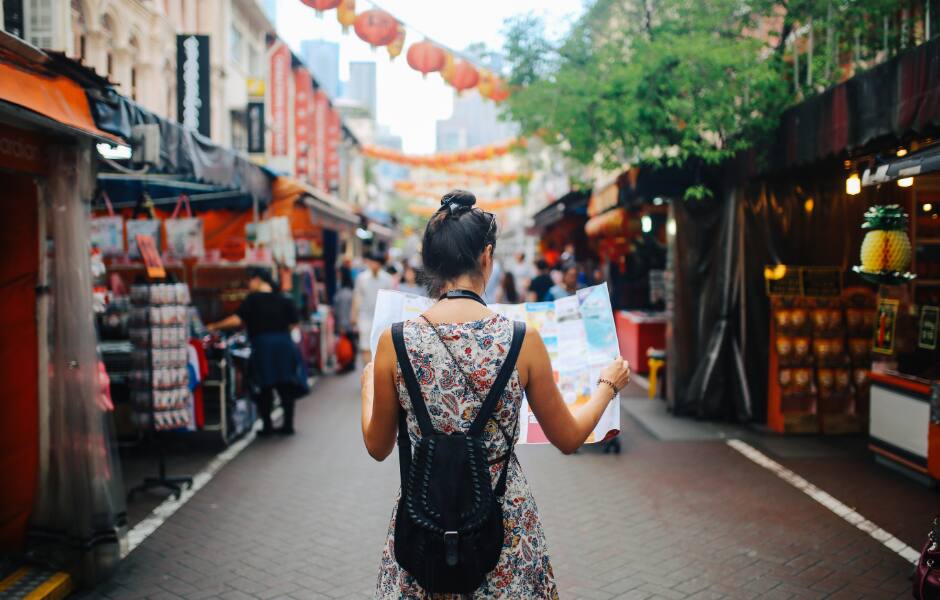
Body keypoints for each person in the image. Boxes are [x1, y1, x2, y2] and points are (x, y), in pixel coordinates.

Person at [361, 190, 631, 598]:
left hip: (424, 525)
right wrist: (608, 385)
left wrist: (368, 388)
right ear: (486, 257)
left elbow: (378, 446)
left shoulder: (394, 341)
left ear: (430, 262)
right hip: (504, 533)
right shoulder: (522, 339)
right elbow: (569, 437)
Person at [208, 267, 307, 436]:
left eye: (250, 279)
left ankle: (267, 425)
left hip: (263, 346)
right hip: (284, 344)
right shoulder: (283, 298)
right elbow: (294, 323)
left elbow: (236, 320)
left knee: (264, 385)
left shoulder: (252, 300)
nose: (248, 283)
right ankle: (288, 425)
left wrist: (213, 326)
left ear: (258, 279)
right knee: (286, 385)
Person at [351, 250, 394, 365]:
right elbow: (357, 296)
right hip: (365, 316)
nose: (374, 265)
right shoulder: (361, 278)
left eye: (377, 262)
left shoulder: (387, 279)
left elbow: (391, 299)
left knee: (380, 346)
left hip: (382, 318)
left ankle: (377, 372)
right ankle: (368, 370)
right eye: (372, 262)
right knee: (365, 345)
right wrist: (354, 315)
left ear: (380, 264)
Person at [333, 266, 356, 371]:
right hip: (348, 324)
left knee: (346, 346)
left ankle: (347, 364)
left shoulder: (344, 293)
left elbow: (343, 310)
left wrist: (342, 326)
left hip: (345, 325)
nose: (337, 276)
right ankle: (348, 364)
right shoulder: (348, 291)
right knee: (350, 345)